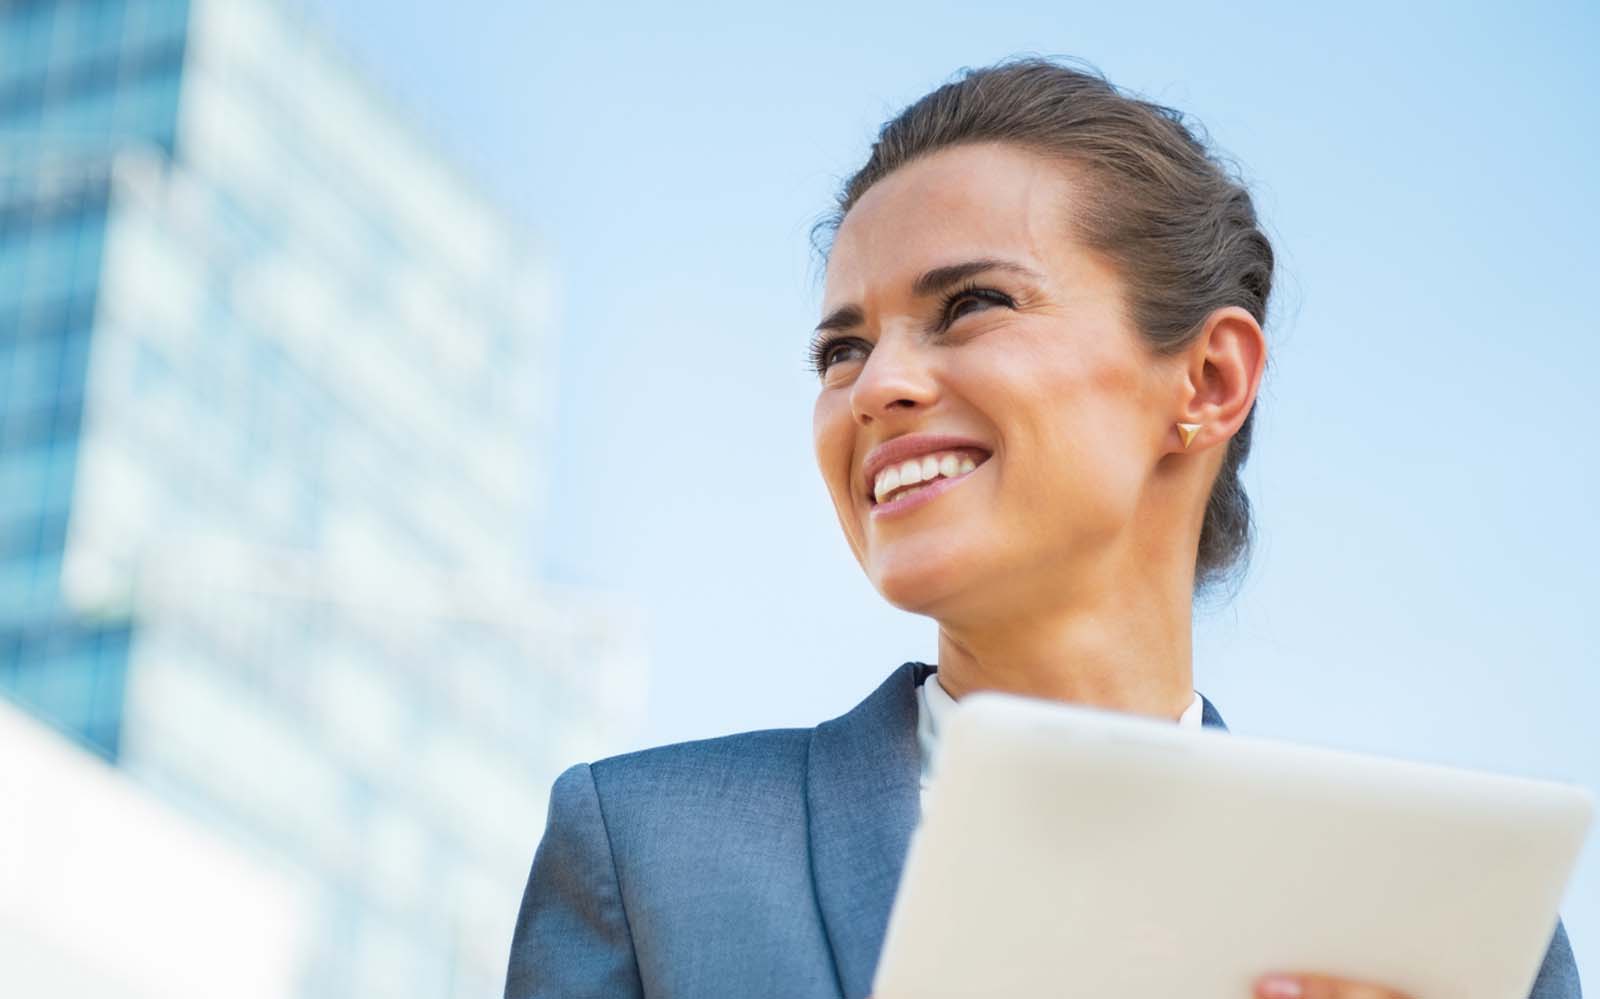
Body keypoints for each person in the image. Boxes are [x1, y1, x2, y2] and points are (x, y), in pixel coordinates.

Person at [502, 57, 1581, 999]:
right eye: (840, 351)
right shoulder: (655, 849)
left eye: (970, 304)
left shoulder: (1453, 933)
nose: (875, 385)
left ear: (1207, 379)